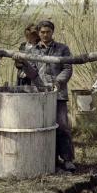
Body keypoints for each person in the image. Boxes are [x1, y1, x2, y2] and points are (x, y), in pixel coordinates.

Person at [17, 20, 75, 172]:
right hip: (40, 95)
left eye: (47, 32)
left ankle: (67, 159)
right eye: (42, 32)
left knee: (62, 126)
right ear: (39, 33)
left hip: (59, 94)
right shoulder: (33, 51)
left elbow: (68, 68)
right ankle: (48, 158)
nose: (45, 35)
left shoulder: (62, 49)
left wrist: (58, 81)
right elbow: (33, 72)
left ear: (52, 32)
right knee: (43, 127)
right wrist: (23, 64)